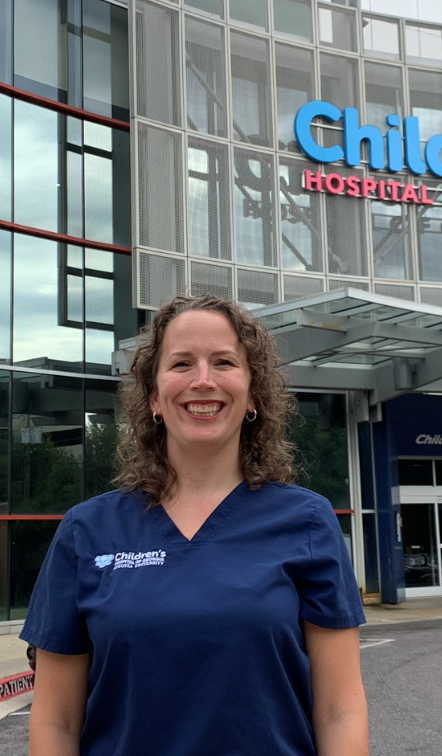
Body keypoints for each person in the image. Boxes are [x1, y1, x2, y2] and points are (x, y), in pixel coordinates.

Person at [20, 294, 368, 756]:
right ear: (154, 399)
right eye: (182, 363)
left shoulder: (307, 521)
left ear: (253, 397)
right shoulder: (86, 531)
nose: (203, 380)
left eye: (223, 362)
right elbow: (54, 721)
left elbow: (339, 710)